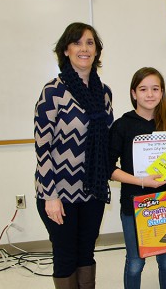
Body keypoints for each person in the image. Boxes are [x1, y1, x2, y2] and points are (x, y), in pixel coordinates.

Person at [34, 22, 113, 289]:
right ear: (66, 50)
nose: (84, 48)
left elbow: (108, 144)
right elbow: (42, 148)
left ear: (96, 51)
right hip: (59, 193)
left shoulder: (104, 94)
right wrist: (50, 195)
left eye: (90, 43)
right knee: (66, 257)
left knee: (86, 254)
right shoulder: (53, 92)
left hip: (92, 190)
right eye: (77, 43)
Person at [108, 67, 166, 289]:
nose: (150, 94)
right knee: (135, 263)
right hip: (134, 205)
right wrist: (142, 181)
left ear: (162, 93)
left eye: (155, 89)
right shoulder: (122, 125)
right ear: (134, 93)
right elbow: (108, 168)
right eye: (143, 89)